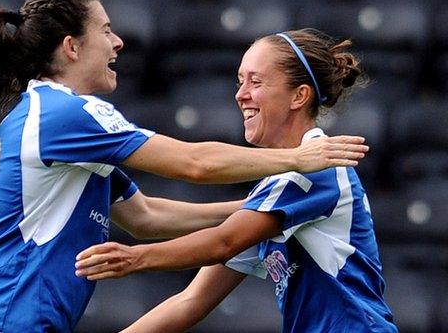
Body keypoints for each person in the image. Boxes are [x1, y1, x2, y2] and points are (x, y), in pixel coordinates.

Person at [0, 0, 368, 332]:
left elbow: (146, 218)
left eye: (254, 81)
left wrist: (255, 207)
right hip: (1, 319)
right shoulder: (69, 113)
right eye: (104, 30)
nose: (118, 41)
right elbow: (195, 164)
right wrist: (297, 160)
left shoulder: (63, 131)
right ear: (72, 47)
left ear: (300, 95)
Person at [75, 28, 396, 332]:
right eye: (240, 81)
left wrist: (135, 258)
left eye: (255, 82)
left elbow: (222, 242)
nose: (241, 95)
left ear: (299, 96)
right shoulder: (277, 188)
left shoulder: (316, 172)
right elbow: (191, 300)